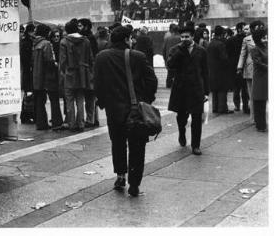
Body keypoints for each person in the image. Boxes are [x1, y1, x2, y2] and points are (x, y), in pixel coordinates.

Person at [95, 26, 158, 197]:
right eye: (130, 38)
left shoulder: (101, 57)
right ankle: (135, 184)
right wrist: (146, 99)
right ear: (126, 40)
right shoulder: (138, 56)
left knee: (118, 144)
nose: (132, 41)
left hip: (113, 111)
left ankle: (120, 175)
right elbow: (152, 80)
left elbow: (97, 83)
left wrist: (103, 102)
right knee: (137, 147)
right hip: (135, 110)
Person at [167, 23, 209, 155]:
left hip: (196, 89)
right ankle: (182, 132)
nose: (184, 39)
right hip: (181, 89)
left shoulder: (201, 51)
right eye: (182, 37)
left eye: (187, 37)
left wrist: (206, 91)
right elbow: (170, 65)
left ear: (192, 37)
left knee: (197, 118)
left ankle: (196, 145)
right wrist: (180, 51)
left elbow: (205, 72)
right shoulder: (175, 49)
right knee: (181, 116)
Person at [59, 19, 93, 132]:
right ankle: (81, 123)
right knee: (80, 99)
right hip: (83, 73)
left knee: (69, 100)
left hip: (70, 73)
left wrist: (63, 71)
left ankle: (72, 124)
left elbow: (62, 61)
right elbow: (90, 58)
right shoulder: (86, 41)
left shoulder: (64, 42)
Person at [237, 20, 265, 119]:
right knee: (252, 94)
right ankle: (253, 116)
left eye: (261, 27)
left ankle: (261, 116)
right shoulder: (246, 39)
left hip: (263, 67)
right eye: (257, 27)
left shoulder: (265, 38)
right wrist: (239, 67)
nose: (260, 28)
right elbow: (242, 54)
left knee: (263, 93)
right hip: (250, 67)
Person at [31, 24, 56, 130]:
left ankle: (41, 123)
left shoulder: (35, 44)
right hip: (46, 76)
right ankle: (55, 121)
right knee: (53, 99)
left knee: (39, 101)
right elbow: (49, 60)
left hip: (36, 76)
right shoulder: (46, 44)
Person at [78, 18, 99, 127]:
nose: (79, 28)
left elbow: (93, 56)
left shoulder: (88, 39)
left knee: (90, 96)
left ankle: (91, 119)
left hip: (89, 70)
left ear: (86, 26)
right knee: (91, 96)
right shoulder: (90, 37)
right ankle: (94, 118)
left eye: (80, 26)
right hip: (89, 69)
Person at [207, 26, 232, 114]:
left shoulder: (210, 43)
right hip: (221, 71)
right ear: (222, 34)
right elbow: (224, 58)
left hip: (212, 70)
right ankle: (222, 108)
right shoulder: (220, 44)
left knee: (214, 90)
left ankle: (215, 108)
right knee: (222, 90)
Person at [226, 22, 249, 112]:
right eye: (245, 28)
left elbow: (227, 54)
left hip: (234, 67)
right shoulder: (246, 39)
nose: (246, 30)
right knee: (244, 87)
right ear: (240, 29)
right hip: (243, 66)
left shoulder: (230, 40)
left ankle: (237, 106)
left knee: (237, 88)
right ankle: (245, 106)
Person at [249, 28, 267, 132]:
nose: (266, 40)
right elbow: (258, 63)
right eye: (264, 38)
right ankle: (260, 124)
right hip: (260, 78)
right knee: (260, 102)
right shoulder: (255, 49)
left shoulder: (266, 47)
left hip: (266, 77)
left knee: (263, 101)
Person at [48, 29, 64, 129]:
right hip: (55, 74)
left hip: (59, 73)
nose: (56, 38)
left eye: (58, 36)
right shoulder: (51, 47)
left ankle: (58, 119)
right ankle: (57, 119)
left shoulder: (60, 46)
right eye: (55, 36)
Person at [19, 24, 35, 123]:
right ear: (29, 32)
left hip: (27, 72)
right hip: (28, 72)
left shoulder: (26, 42)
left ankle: (26, 116)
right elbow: (26, 60)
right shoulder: (27, 43)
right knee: (29, 95)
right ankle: (26, 116)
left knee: (29, 95)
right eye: (33, 31)